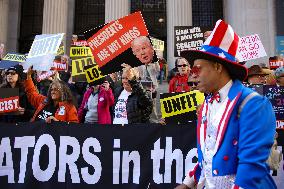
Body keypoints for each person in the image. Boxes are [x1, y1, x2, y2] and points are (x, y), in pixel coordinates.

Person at [177, 20, 276, 189]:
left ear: (217, 67)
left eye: (197, 69)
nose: (192, 76)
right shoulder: (206, 104)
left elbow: (251, 168)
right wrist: (188, 183)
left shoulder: (253, 104)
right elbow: (208, 157)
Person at [131, 36, 160, 123]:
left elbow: (157, 69)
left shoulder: (154, 63)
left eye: (144, 48)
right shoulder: (135, 65)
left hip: (151, 89)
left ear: (151, 48)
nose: (142, 52)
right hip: (140, 90)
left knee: (152, 105)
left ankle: (153, 121)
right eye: (138, 50)